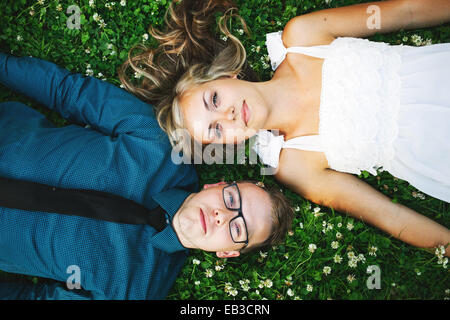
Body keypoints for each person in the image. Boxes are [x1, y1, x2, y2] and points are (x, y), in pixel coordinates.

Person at [119, 0, 450, 256]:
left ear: (225, 76)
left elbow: (404, 12)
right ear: (231, 144)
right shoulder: (295, 165)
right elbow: (389, 216)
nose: (229, 115)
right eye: (216, 130)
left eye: (214, 99)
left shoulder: (304, 36)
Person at [0, 53, 294, 299]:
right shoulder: (158, 142)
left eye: (237, 229)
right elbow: (69, 92)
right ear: (216, 185)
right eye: (231, 199)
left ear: (228, 253)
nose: (222, 216)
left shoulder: (134, 293)